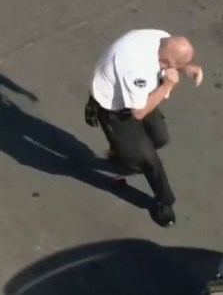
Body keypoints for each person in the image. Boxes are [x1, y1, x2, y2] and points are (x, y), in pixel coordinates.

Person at [84, 29, 203, 227]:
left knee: (160, 137)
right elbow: (138, 113)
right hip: (115, 106)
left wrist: (185, 68)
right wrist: (167, 86)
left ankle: (123, 153)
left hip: (139, 95)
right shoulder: (137, 69)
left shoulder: (161, 39)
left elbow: (166, 61)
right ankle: (164, 202)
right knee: (149, 160)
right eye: (178, 65)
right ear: (169, 63)